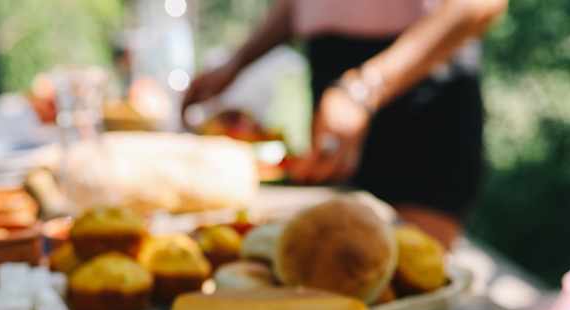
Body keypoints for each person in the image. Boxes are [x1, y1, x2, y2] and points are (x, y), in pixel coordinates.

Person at [183, 0, 507, 248]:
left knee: (410, 288)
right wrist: (236, 63)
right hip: (338, 79)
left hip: (423, 89)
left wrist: (366, 88)